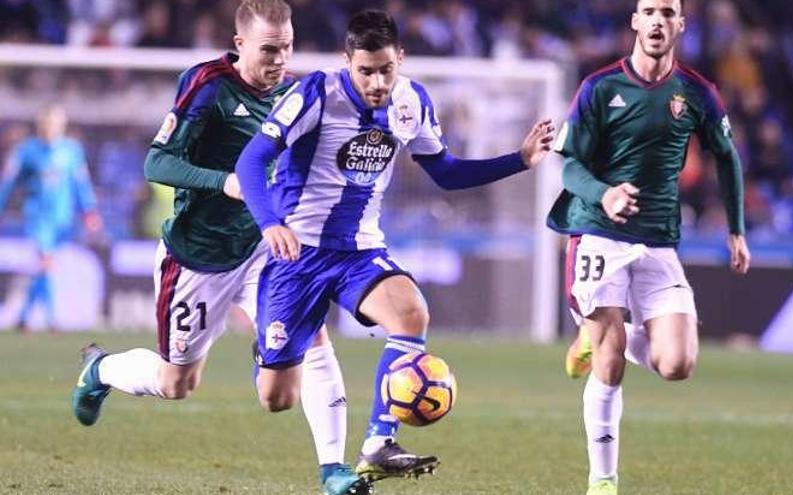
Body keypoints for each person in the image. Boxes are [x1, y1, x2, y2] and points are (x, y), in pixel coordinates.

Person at [235, 9, 555, 483]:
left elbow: (445, 172)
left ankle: (377, 443)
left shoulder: (412, 102)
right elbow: (252, 160)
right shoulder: (314, 95)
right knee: (276, 397)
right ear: (348, 62)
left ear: (400, 59)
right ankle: (279, 343)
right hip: (296, 254)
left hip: (359, 249)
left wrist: (520, 160)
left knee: (411, 313)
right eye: (366, 71)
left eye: (387, 69)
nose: (378, 81)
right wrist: (269, 223)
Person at [70, 2, 371, 494]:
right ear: (240, 45)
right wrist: (224, 181)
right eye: (269, 49)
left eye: (287, 48)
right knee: (176, 385)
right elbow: (157, 163)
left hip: (265, 247)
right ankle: (100, 368)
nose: (280, 59)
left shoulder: (296, 93)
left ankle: (334, 471)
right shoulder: (209, 85)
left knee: (297, 372)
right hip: (198, 254)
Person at [547, 0, 751, 494]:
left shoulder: (697, 93)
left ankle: (592, 338)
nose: (657, 20)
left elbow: (726, 157)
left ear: (681, 24)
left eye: (668, 11)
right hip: (597, 232)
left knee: (677, 365)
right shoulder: (599, 87)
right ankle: (603, 480)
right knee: (613, 358)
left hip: (658, 242)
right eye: (648, 11)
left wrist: (737, 228)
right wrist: (606, 193)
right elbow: (570, 165)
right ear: (634, 22)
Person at [0, 105, 101, 333]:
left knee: (45, 268)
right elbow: (8, 182)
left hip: (62, 219)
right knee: (46, 263)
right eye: (46, 125)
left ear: (61, 126)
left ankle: (24, 317)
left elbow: (81, 183)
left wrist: (90, 211)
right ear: (39, 126)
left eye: (55, 125)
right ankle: (51, 319)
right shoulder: (26, 151)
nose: (50, 129)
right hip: (37, 217)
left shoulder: (72, 150)